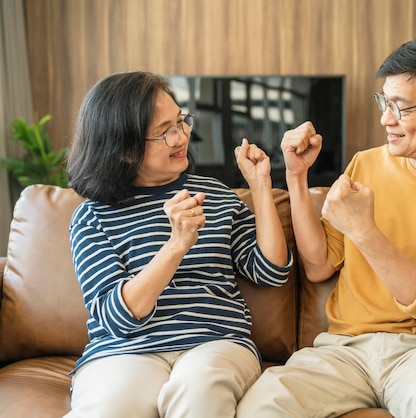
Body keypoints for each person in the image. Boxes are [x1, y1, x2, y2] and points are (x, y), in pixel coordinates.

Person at [237, 34, 416, 417]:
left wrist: (365, 232)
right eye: (384, 101)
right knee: (260, 407)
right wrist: (296, 177)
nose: (385, 119)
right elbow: (320, 265)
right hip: (343, 351)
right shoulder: (367, 164)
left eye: (400, 107)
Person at [64, 71, 293, 418]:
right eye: (165, 131)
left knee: (200, 394)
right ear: (125, 151)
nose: (182, 135)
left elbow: (271, 271)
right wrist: (175, 246)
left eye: (181, 121)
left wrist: (261, 186)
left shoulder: (213, 194)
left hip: (215, 342)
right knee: (110, 408)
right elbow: (115, 319)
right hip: (125, 351)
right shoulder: (92, 217)